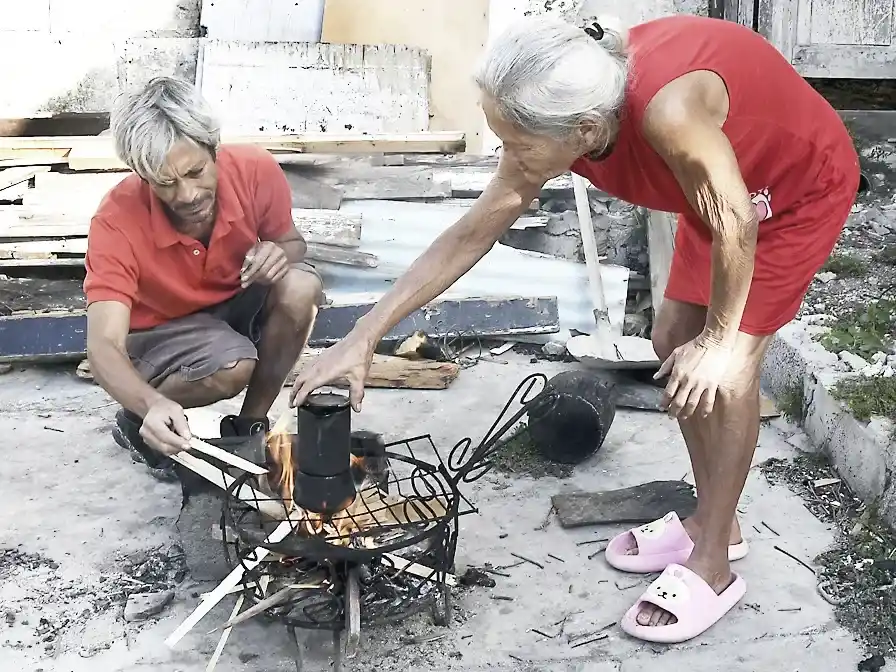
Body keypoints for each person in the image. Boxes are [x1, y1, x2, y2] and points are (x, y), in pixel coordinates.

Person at [289, 14, 859, 643]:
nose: (511, 157)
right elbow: (474, 229)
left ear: (586, 131)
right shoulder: (572, 105)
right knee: (672, 340)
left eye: (519, 143)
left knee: (724, 376)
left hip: (789, 191)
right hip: (718, 192)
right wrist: (363, 334)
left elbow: (737, 226)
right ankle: (713, 521)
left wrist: (725, 343)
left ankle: (715, 565)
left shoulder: (668, 118)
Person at [84, 76, 324, 480]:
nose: (187, 194)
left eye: (196, 171)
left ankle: (248, 428)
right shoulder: (116, 220)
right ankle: (138, 419)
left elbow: (292, 243)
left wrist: (278, 253)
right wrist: (148, 403)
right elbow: (102, 345)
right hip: (161, 331)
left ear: (214, 149)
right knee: (232, 366)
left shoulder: (254, 169)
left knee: (301, 286)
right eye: (165, 182)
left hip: (233, 303)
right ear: (143, 177)